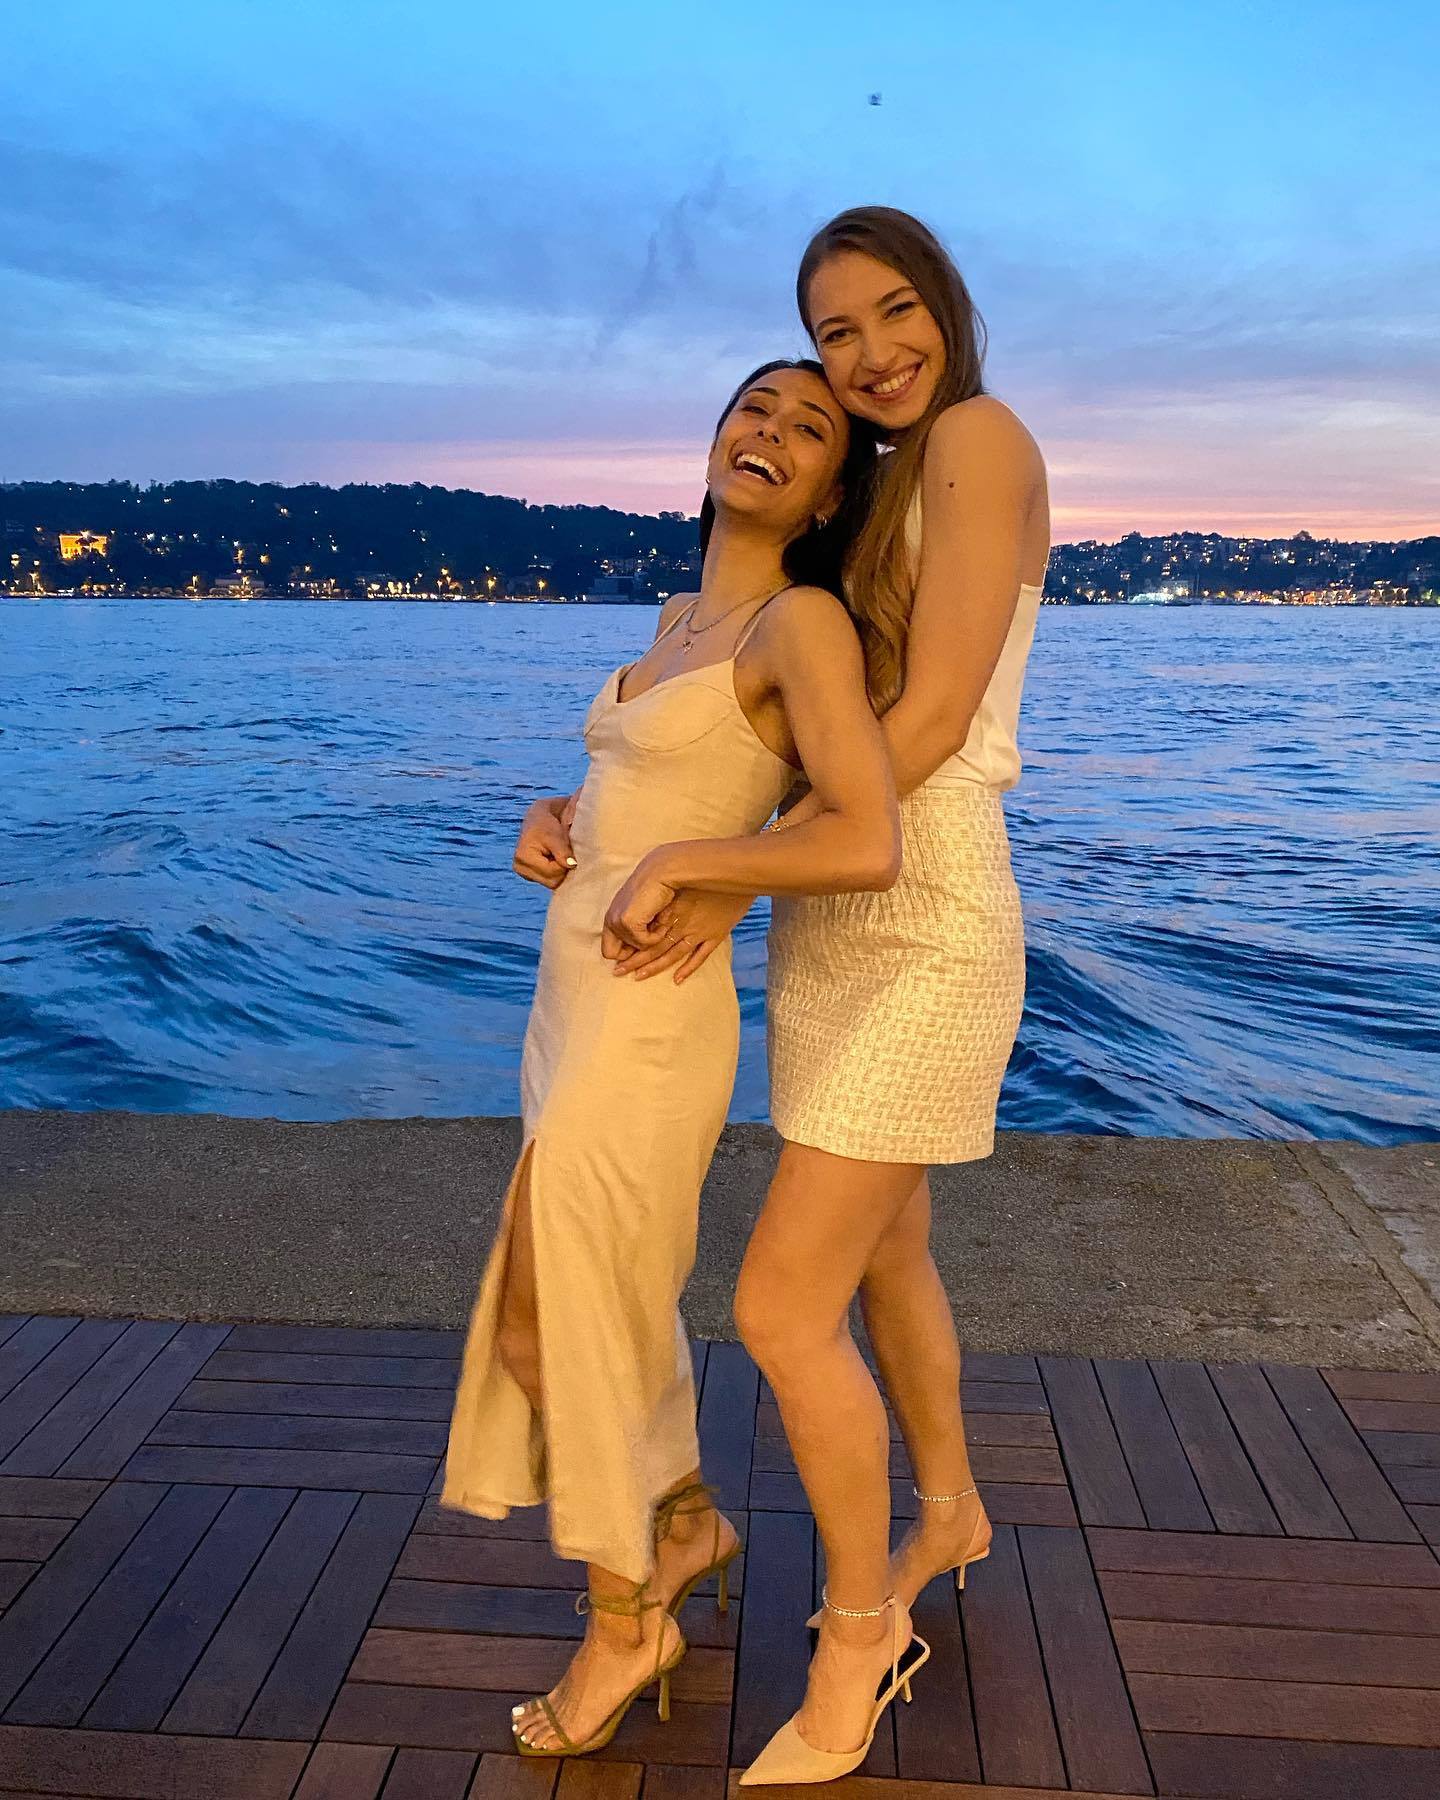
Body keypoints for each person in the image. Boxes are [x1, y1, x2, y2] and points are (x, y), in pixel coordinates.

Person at [616, 206, 1050, 1786]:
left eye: (892, 312)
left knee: (778, 1307)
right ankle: (953, 1513)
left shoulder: (979, 439)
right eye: (836, 331)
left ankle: (863, 1635)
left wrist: (732, 872)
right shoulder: (877, 487)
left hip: (924, 908)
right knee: (887, 1257)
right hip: (834, 919)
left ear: (945, 301)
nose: (871, 354)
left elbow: (926, 720)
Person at [441, 358, 904, 1760]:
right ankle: (684, 1524)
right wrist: (556, 816)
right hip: (570, 1001)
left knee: (556, 1326)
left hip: (650, 1022)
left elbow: (864, 835)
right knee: (591, 1316)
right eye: (756, 409)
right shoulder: (672, 621)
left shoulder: (799, 624)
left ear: (827, 496)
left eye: (810, 429)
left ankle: (627, 1617)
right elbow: (642, 788)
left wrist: (703, 866)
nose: (773, 433)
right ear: (714, 440)